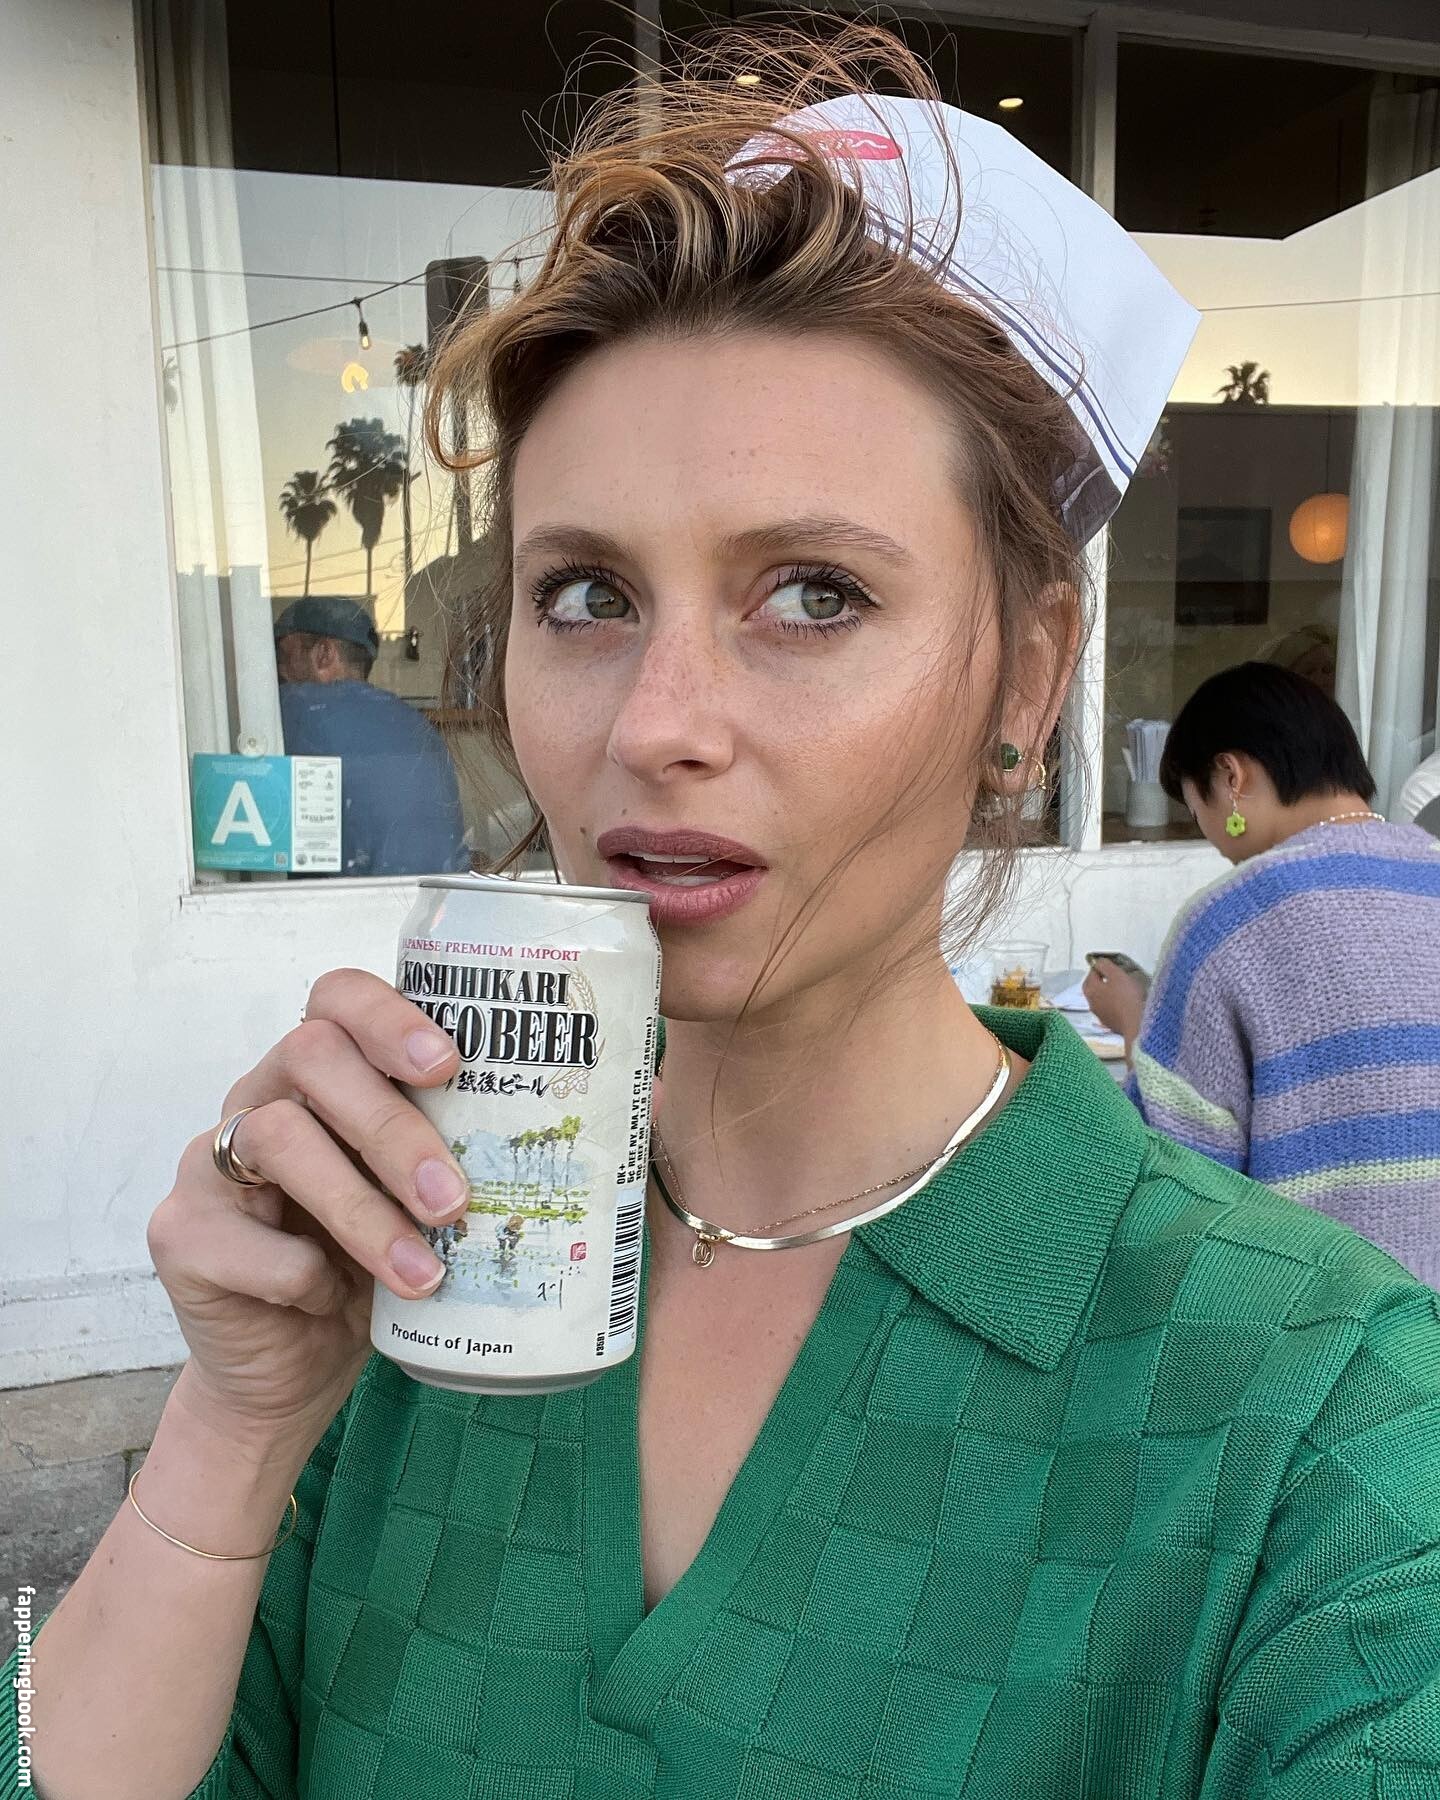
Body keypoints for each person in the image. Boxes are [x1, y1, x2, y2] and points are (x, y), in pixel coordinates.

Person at [16, 28, 1440, 1800]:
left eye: (814, 593)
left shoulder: (1321, 1419)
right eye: (586, 595)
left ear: (1029, 672)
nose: (655, 723)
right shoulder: (404, 1288)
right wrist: (230, 1435)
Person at [1085, 661, 1440, 1282]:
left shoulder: (1229, 919)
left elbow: (1178, 1174)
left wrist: (1136, 1026)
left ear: (1232, 777)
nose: (1212, 836)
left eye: (1196, 806)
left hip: (1310, 1314)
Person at [273, 595, 469, 877]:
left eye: (283, 656)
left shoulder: (294, 709)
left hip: (334, 902)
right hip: (430, 900)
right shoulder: (419, 727)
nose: (278, 670)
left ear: (324, 654)